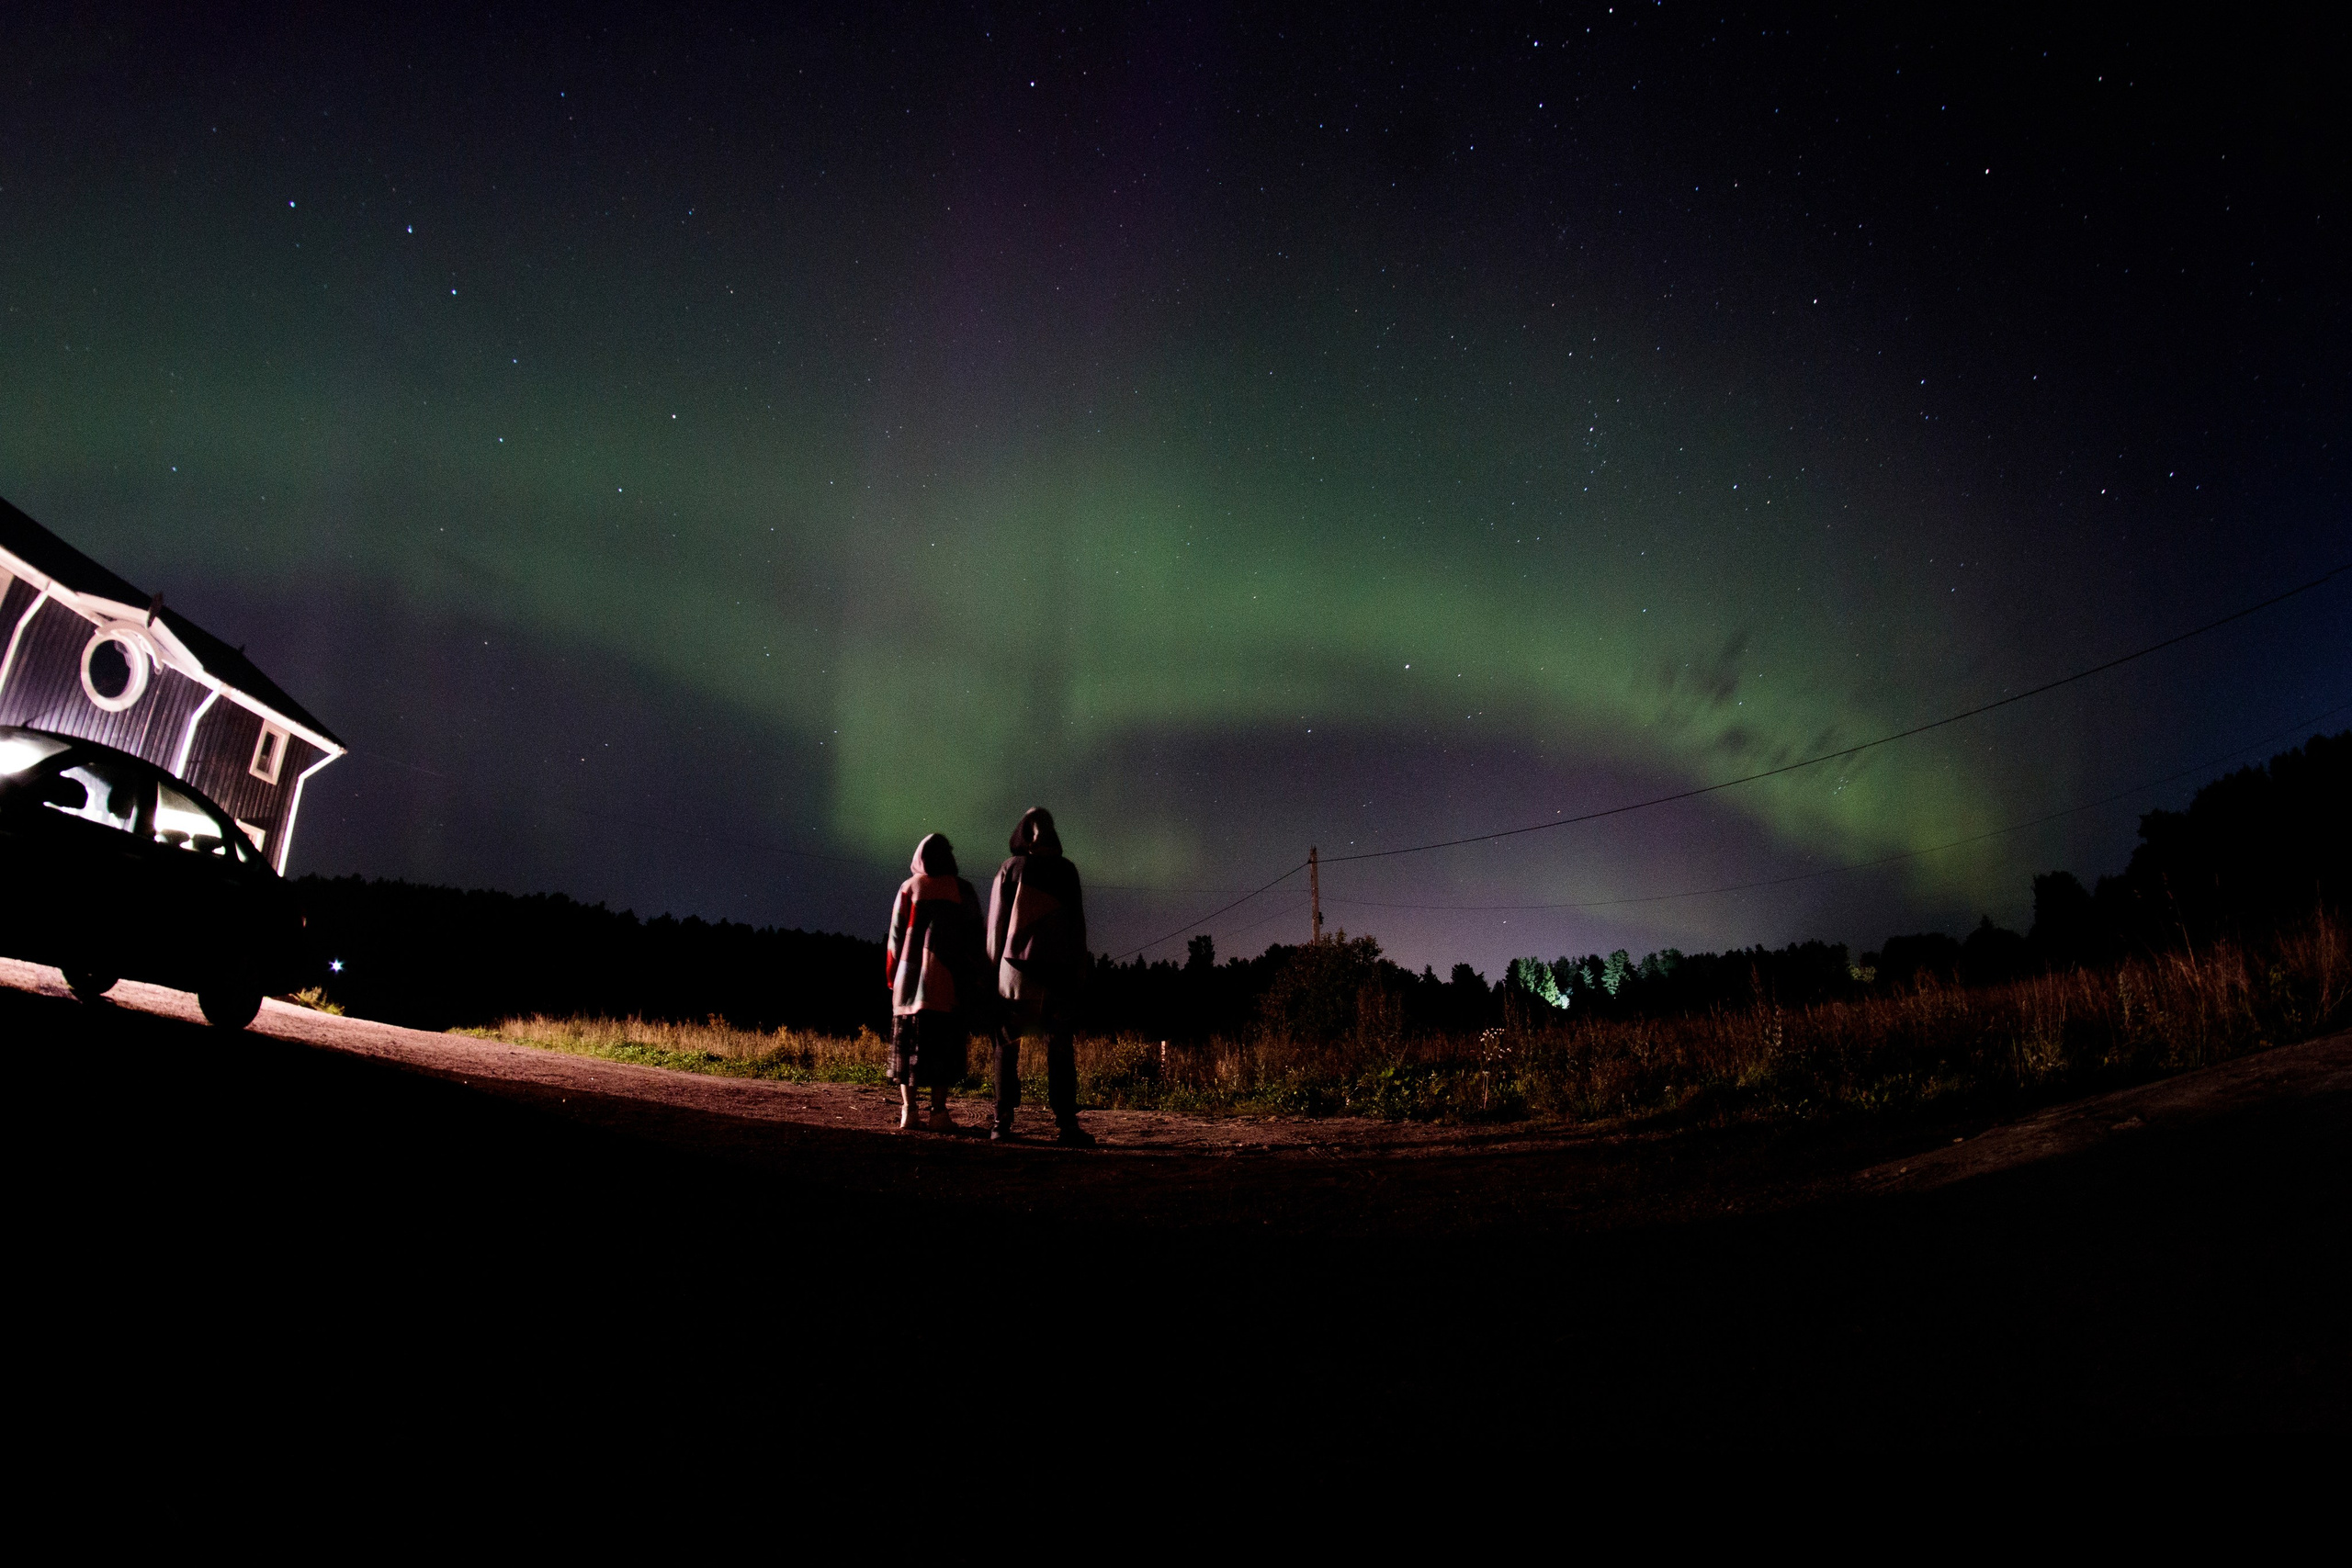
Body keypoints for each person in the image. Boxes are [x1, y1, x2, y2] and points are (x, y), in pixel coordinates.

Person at [985, 807, 1095, 1146]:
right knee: (1060, 1049)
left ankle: (1002, 1122)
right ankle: (1066, 1124)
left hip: (1014, 977)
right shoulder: (1067, 871)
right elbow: (1077, 927)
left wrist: (992, 973)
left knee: (1006, 1047)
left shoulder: (1009, 869)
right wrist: (1079, 970)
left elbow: (996, 930)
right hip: (1058, 978)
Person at [884, 832, 989, 1133]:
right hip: (947, 982)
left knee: (908, 1052)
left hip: (909, 982)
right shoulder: (963, 889)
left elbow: (895, 936)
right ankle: (939, 1113)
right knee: (943, 1048)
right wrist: (980, 976)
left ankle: (909, 1111)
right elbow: (974, 939)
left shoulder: (909, 887)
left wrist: (893, 977)